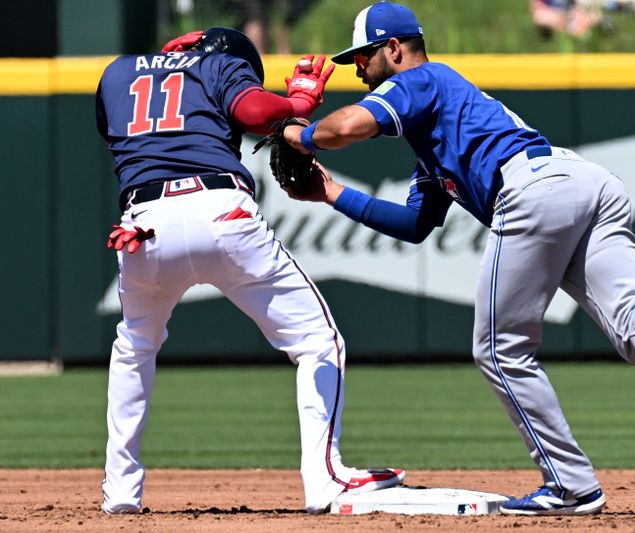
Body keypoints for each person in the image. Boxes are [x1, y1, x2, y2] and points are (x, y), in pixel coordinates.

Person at [280, 1, 635, 516]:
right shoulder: (437, 132)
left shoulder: (422, 79)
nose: (357, 68)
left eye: (363, 57)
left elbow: (349, 126)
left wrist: (298, 131)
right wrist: (332, 195)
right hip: (586, 185)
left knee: (499, 349)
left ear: (394, 49)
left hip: (534, 190)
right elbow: (416, 224)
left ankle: (572, 487)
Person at [95, 26, 404, 515]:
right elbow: (253, 111)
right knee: (317, 342)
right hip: (220, 211)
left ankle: (120, 493)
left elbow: (134, 134)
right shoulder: (217, 64)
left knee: (134, 347)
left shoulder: (116, 73)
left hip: (143, 224)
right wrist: (295, 104)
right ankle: (323, 480)